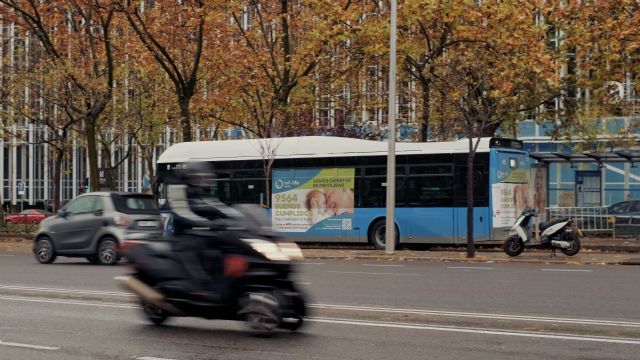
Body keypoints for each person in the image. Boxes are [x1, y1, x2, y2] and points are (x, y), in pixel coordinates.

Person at [165, 162, 232, 301]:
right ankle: (198, 288)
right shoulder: (177, 188)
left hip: (197, 232)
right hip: (182, 235)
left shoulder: (199, 190)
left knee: (221, 246)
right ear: (193, 177)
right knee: (194, 247)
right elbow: (182, 212)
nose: (206, 181)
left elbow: (216, 205)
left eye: (207, 178)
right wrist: (206, 223)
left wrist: (236, 216)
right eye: (202, 178)